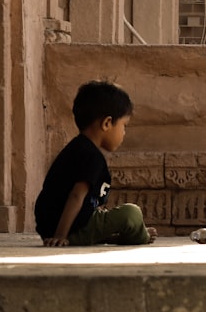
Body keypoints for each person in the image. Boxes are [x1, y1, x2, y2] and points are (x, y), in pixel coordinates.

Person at [35, 80, 157, 247]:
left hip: (51, 228)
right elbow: (76, 196)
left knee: (105, 216)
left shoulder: (76, 148)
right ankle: (140, 234)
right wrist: (60, 236)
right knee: (132, 213)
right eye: (124, 125)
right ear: (107, 123)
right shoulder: (91, 156)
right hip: (71, 231)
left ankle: (110, 236)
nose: (124, 133)